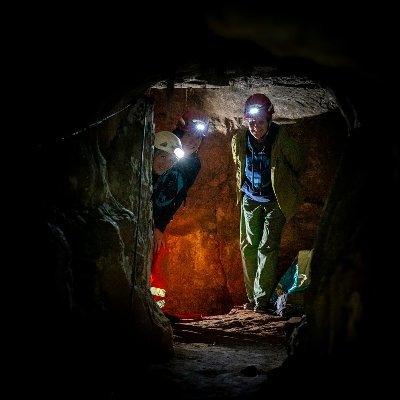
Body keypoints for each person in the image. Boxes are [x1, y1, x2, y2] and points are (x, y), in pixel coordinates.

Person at [231, 93, 306, 314]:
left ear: (269, 120)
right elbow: (238, 166)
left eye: (260, 122)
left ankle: (261, 301)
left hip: (274, 201)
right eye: (251, 121)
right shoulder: (239, 138)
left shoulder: (280, 138)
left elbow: (299, 164)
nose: (255, 126)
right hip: (250, 199)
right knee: (248, 247)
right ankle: (253, 297)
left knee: (267, 247)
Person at [150, 110, 210, 319]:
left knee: (158, 259)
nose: (194, 142)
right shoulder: (163, 146)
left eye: (199, 138)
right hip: (145, 216)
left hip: (158, 219)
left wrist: (160, 226)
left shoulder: (193, 164)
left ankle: (155, 308)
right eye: (190, 136)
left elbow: (176, 197)